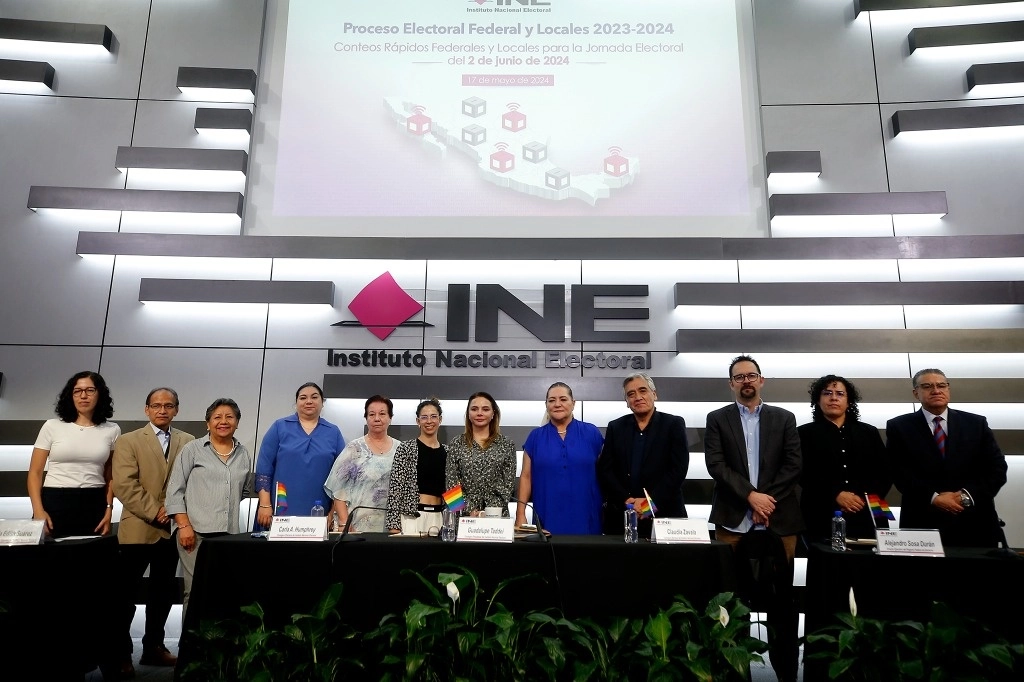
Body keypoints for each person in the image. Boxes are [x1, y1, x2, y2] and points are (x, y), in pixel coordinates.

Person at [704, 355, 802, 682]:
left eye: (752, 375)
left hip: (779, 520)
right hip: (733, 523)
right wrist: (750, 496)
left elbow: (793, 465)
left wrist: (765, 500)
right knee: (731, 604)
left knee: (782, 605)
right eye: (739, 377)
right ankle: (737, 673)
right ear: (731, 383)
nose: (746, 381)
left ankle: (787, 672)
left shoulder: (784, 418)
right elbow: (717, 466)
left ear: (761, 380)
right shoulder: (717, 419)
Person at [112, 387, 194, 673]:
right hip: (138, 528)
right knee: (124, 595)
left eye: (168, 405)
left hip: (172, 530)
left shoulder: (189, 441)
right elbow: (124, 484)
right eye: (156, 405)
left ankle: (154, 648)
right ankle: (120, 654)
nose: (162, 410)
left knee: (161, 594)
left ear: (176, 410)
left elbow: (191, 484)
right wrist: (157, 511)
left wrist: (174, 515)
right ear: (146, 409)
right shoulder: (127, 441)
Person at [886, 368, 1007, 547]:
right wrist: (934, 497)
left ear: (948, 389)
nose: (936, 390)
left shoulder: (976, 423)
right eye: (927, 386)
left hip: (974, 520)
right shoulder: (899, 426)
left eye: (942, 385)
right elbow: (899, 472)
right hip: (923, 521)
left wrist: (966, 496)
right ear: (915, 393)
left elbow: (996, 468)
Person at [165, 398, 253, 618]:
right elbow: (175, 491)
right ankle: (190, 649)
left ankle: (216, 649)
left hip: (229, 536)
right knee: (194, 591)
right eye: (217, 417)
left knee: (224, 591)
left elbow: (243, 491)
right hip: (195, 534)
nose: (223, 421)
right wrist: (183, 526)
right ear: (208, 423)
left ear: (237, 422)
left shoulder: (243, 454)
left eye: (229, 417)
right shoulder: (192, 449)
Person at [28, 370, 120, 538]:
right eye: (77, 391)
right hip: (54, 500)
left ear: (100, 394)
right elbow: (35, 473)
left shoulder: (112, 429)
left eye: (90, 390)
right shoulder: (52, 426)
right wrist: (38, 510)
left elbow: (110, 475)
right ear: (70, 396)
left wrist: (109, 509)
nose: (83, 396)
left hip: (94, 501)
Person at [799, 375, 890, 541]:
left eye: (840, 394)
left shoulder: (869, 432)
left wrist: (860, 498)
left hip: (869, 510)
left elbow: (885, 472)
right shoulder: (803, 433)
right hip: (821, 512)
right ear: (817, 401)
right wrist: (836, 494)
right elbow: (802, 474)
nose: (834, 398)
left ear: (849, 402)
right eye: (827, 393)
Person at [597, 373, 689, 538]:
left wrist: (648, 506)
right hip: (623, 516)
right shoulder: (615, 427)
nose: (637, 397)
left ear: (654, 394)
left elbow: (678, 470)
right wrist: (628, 502)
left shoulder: (673, 424)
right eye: (631, 394)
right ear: (627, 402)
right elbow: (605, 470)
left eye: (642, 391)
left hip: (665, 516)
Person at [515, 382, 604, 534]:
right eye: (551, 400)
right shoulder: (535, 437)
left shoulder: (591, 433)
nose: (557, 404)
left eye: (563, 399)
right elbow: (526, 476)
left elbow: (606, 471)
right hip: (546, 516)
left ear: (573, 403)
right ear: (546, 404)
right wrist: (520, 514)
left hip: (587, 516)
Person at [255, 382, 345, 525]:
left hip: (320, 509)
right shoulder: (280, 426)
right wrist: (265, 505)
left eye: (314, 397)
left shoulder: (333, 432)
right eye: (303, 398)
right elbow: (264, 469)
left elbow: (342, 477)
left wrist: (333, 512)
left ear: (322, 403)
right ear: (296, 403)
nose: (308, 401)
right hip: (281, 508)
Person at [324, 395, 398, 533]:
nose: (377, 418)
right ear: (366, 418)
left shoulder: (401, 449)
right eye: (372, 414)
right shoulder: (354, 448)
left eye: (382, 414)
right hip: (356, 528)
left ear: (390, 418)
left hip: (393, 529)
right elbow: (338, 489)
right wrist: (344, 523)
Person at [445, 392, 516, 517]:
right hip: (464, 517)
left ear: (493, 413)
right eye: (474, 409)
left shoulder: (506, 444)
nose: (479, 413)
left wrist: (488, 512)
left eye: (485, 409)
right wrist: (470, 510)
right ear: (468, 413)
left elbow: (508, 486)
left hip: (497, 517)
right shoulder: (456, 443)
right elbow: (451, 486)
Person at [385, 398, 447, 535]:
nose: (429, 421)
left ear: (440, 420)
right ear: (418, 421)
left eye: (433, 417)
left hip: (440, 518)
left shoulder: (449, 452)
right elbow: (395, 489)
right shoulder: (406, 449)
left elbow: (454, 489)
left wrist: (456, 521)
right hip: (412, 516)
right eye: (424, 417)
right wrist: (393, 526)